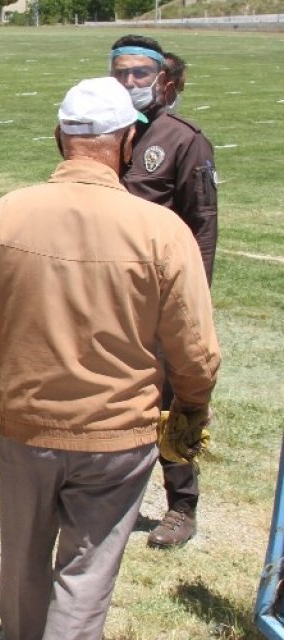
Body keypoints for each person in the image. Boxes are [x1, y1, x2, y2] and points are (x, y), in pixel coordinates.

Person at [0, 77, 220, 640]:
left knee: (22, 561)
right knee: (87, 574)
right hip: (117, 435)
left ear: (60, 137)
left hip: (23, 427)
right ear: (128, 141)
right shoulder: (160, 231)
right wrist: (191, 409)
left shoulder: (8, 214)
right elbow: (194, 348)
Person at [110, 34, 219, 548]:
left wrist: (193, 298)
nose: (129, 82)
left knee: (171, 399)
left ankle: (181, 505)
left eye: (138, 74)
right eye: (120, 73)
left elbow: (202, 224)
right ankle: (110, 495)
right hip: (109, 290)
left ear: (160, 78)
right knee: (114, 394)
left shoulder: (184, 139)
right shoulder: (108, 128)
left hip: (162, 293)